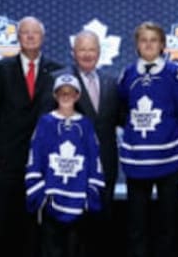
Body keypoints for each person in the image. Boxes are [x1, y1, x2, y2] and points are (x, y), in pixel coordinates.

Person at [0, 16, 62, 256]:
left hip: (43, 159)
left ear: (43, 38)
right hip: (8, 157)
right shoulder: (1, 69)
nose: (30, 37)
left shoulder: (57, 71)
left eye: (35, 33)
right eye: (25, 33)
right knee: (6, 221)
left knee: (38, 222)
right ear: (18, 38)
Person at [117, 21, 178, 257]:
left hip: (169, 157)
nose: (148, 45)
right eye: (143, 40)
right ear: (137, 45)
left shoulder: (174, 74)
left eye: (154, 40)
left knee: (167, 222)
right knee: (137, 223)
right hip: (137, 159)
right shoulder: (127, 74)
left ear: (163, 45)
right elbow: (122, 110)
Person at [26, 73, 105, 257]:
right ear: (55, 95)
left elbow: (95, 160)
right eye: (62, 92)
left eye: (71, 92)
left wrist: (90, 194)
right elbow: (34, 158)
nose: (66, 96)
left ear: (78, 96)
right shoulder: (45, 123)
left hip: (79, 203)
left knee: (76, 248)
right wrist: (40, 196)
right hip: (51, 201)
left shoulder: (85, 125)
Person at [64, 30, 120, 257]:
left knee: (101, 228)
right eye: (82, 49)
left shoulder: (111, 82)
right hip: (72, 167)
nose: (87, 54)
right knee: (73, 231)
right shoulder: (62, 82)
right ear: (73, 53)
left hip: (105, 166)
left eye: (92, 49)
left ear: (99, 52)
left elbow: (122, 118)